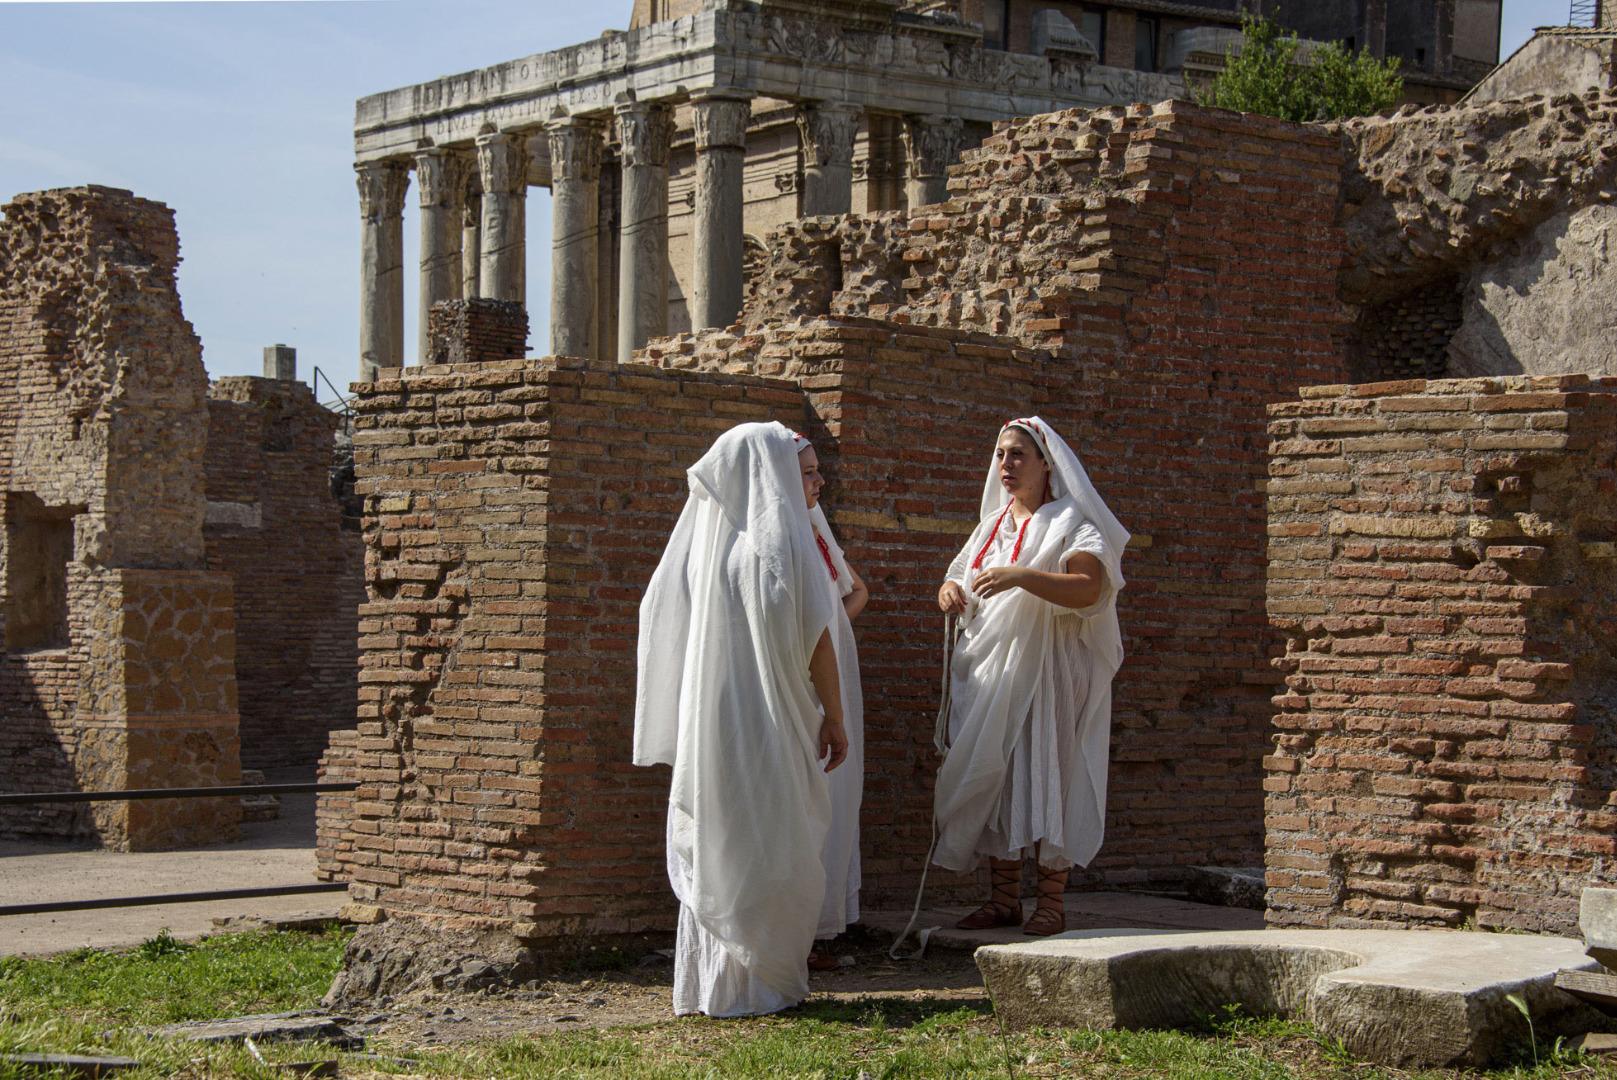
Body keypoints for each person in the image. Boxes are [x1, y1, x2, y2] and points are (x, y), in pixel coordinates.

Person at [634, 420, 850, 1017]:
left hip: (716, 720)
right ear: (773, 473)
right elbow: (818, 639)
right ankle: (766, 981)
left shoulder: (707, 545)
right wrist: (834, 715)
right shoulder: (782, 541)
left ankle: (717, 986)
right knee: (775, 832)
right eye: (804, 472)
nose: (815, 483)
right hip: (770, 719)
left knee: (725, 835)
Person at [933, 416, 1128, 936]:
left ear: (1046, 463)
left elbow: (1089, 589)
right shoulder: (991, 525)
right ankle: (1002, 900)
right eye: (1000, 454)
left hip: (1049, 672)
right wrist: (949, 591)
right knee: (998, 777)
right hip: (994, 674)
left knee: (1048, 773)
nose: (1006, 465)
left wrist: (1022, 577)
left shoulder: (1073, 523)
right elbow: (960, 571)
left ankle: (1051, 902)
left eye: (1018, 454)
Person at [793, 434, 870, 971]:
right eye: (809, 473)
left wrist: (834, 630)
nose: (821, 482)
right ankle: (793, 932)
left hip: (833, 674)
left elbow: (856, 590)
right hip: (798, 683)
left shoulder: (815, 528)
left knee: (833, 795)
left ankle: (817, 929)